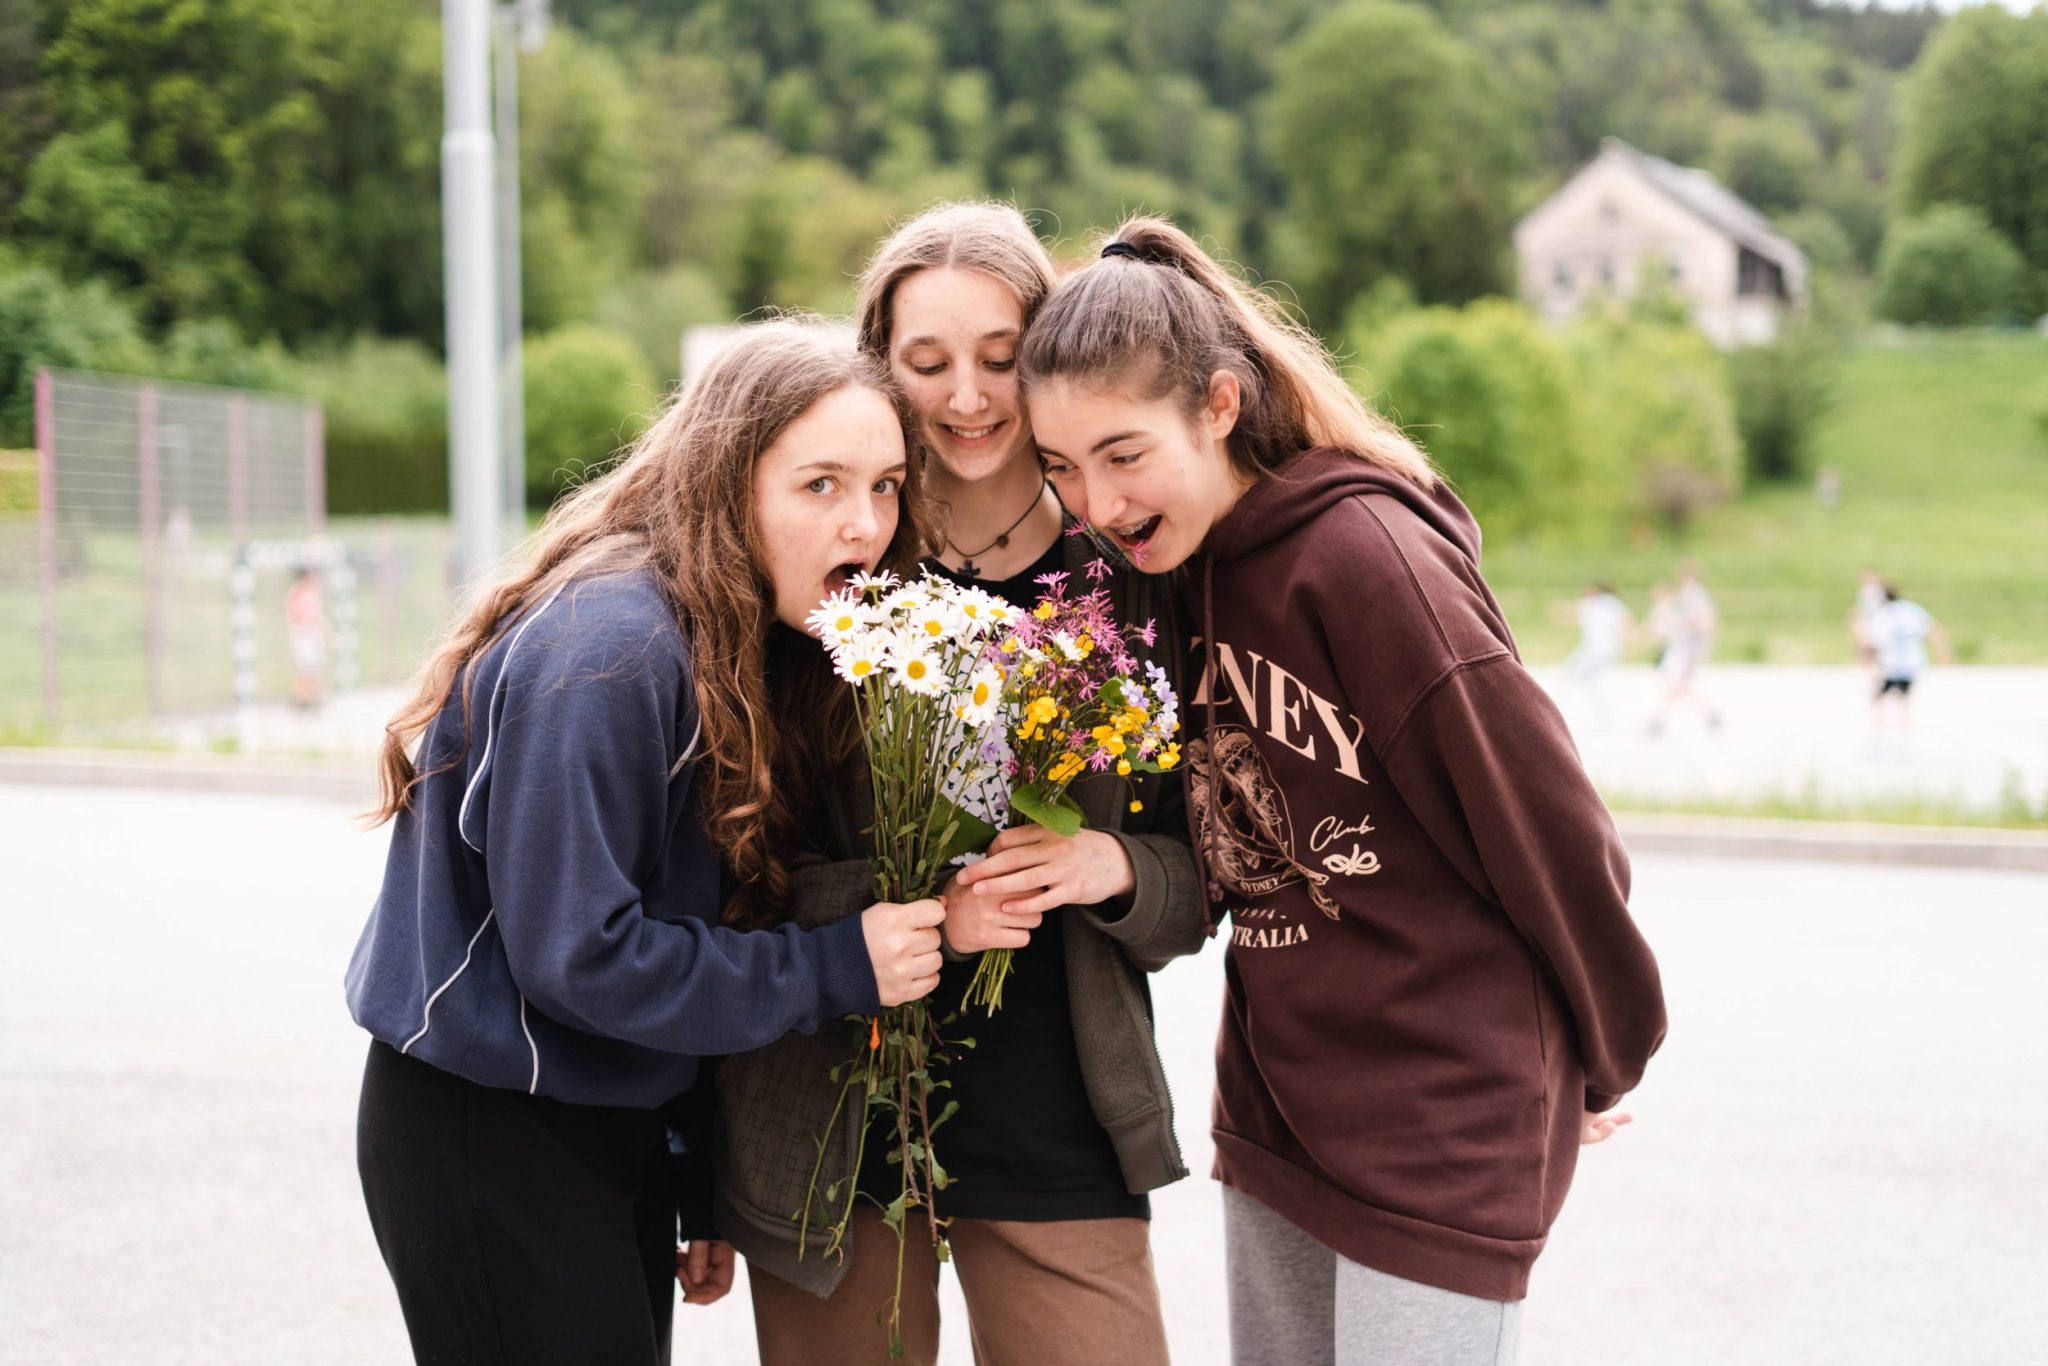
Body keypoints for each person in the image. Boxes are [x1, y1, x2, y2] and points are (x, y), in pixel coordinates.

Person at [1018, 216, 1667, 1366]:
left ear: (1218, 405)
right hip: (1279, 1106)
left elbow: (1549, 825)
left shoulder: (1365, 557)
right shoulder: (1176, 572)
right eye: (1060, 467)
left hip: (1438, 1116)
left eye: (1122, 455)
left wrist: (1605, 1043)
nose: (1094, 505)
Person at [345, 322, 949, 1366]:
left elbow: (687, 913)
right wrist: (838, 965)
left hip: (596, 1118)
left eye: (885, 486)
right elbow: (582, 954)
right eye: (820, 485)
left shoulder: (735, 634)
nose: (865, 523)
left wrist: (688, 1165)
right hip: (491, 1128)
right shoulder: (611, 650)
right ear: (725, 481)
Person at [712, 202, 1205, 1366]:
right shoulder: (829, 569)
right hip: (836, 1115)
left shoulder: (1128, 567)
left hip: (1060, 1115)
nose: (968, 397)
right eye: (926, 363)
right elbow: (736, 877)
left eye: (999, 356)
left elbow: (1202, 883)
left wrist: (1112, 864)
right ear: (874, 366)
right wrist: (929, 912)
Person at [1866, 583, 1952, 743]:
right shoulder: (1912, 610)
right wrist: (1943, 654)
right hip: (1912, 663)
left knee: (1878, 698)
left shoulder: (1881, 616)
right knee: (1903, 700)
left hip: (1890, 664)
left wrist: (1869, 663)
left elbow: (1873, 644)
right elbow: (1933, 630)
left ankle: (1877, 732)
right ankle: (1905, 733)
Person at [1650, 561, 1721, 733]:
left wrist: (1685, 628)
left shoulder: (1696, 595)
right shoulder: (1689, 595)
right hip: (1686, 648)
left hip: (1689, 649)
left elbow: (1706, 622)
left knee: (1676, 685)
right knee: (1679, 686)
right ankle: (1710, 714)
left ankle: (1659, 720)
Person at [1561, 581, 1631, 706]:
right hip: (1602, 649)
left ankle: (1562, 701)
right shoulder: (1607, 604)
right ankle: (1597, 705)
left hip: (1595, 649)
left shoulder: (1602, 602)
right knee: (1585, 677)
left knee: (1573, 674)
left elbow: (1574, 610)